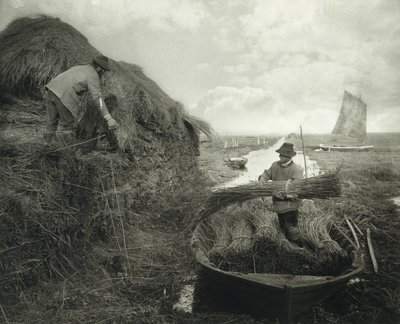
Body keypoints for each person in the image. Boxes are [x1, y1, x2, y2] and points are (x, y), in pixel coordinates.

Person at [43, 55, 119, 146]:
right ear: (99, 68)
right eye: (104, 71)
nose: (104, 73)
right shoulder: (93, 74)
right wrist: (108, 118)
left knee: (51, 124)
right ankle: (67, 154)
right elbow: (97, 98)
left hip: (51, 90)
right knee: (69, 126)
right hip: (64, 95)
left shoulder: (79, 67)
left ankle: (45, 148)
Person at [258, 142, 304, 245]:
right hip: (278, 206)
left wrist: (283, 195)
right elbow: (267, 174)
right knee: (282, 227)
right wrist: (262, 177)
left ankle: (300, 248)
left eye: (282, 154)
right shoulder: (275, 165)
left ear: (289, 156)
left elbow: (297, 192)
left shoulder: (296, 170)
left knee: (292, 230)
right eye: (280, 154)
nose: (279, 156)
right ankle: (288, 247)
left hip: (290, 207)